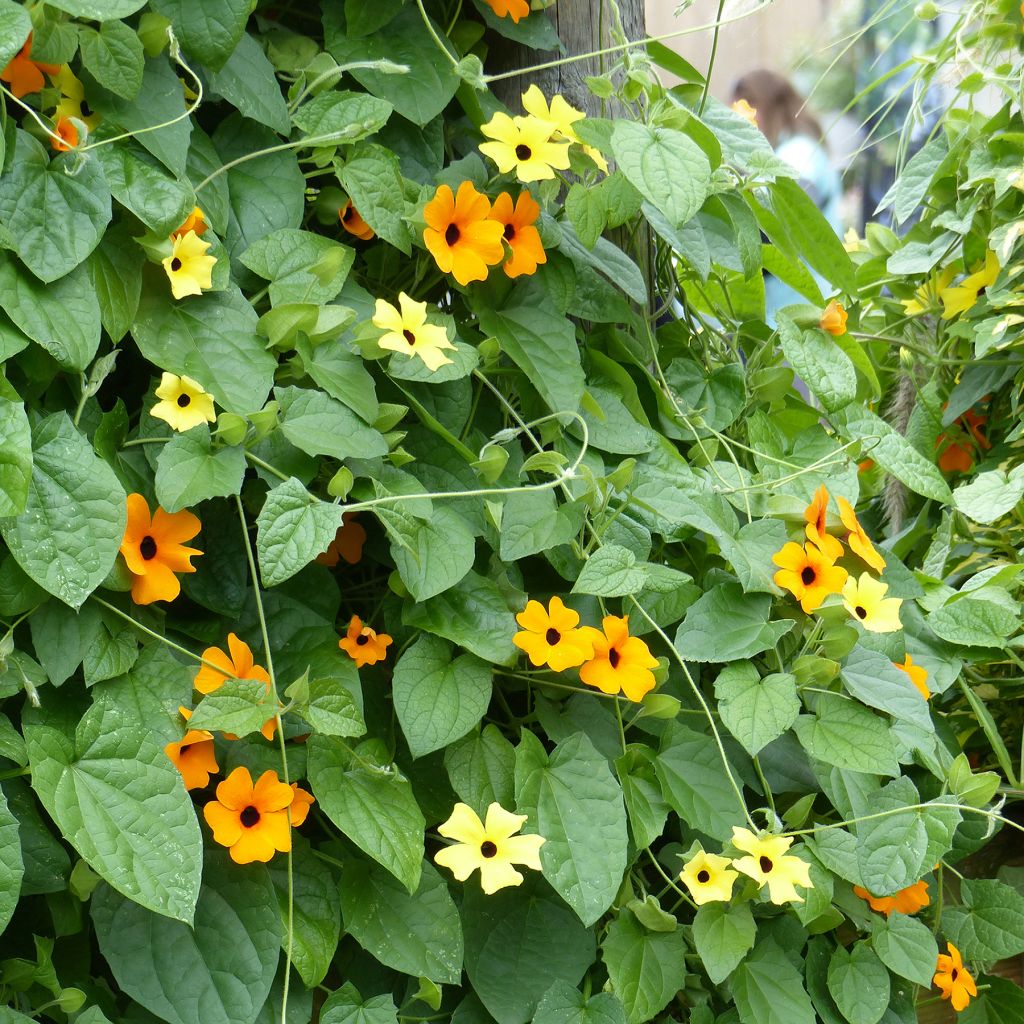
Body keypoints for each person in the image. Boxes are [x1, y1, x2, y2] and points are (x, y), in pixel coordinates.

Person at [732, 70, 843, 320]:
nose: (739, 119)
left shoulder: (798, 150)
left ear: (770, 105)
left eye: (749, 107)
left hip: (801, 314)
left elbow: (793, 210)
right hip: (791, 313)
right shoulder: (789, 150)